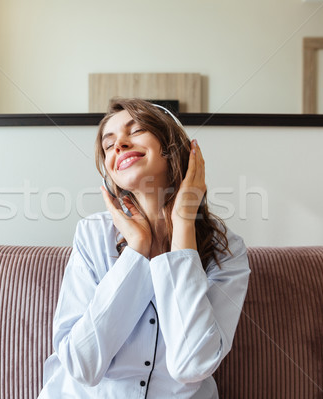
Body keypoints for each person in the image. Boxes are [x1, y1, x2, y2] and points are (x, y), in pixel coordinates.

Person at [38, 98, 250, 399]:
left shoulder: (226, 250)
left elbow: (193, 364)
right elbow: (81, 364)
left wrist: (183, 228)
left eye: (135, 130)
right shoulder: (92, 234)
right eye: (108, 146)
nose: (119, 146)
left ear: (172, 146)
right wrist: (136, 252)